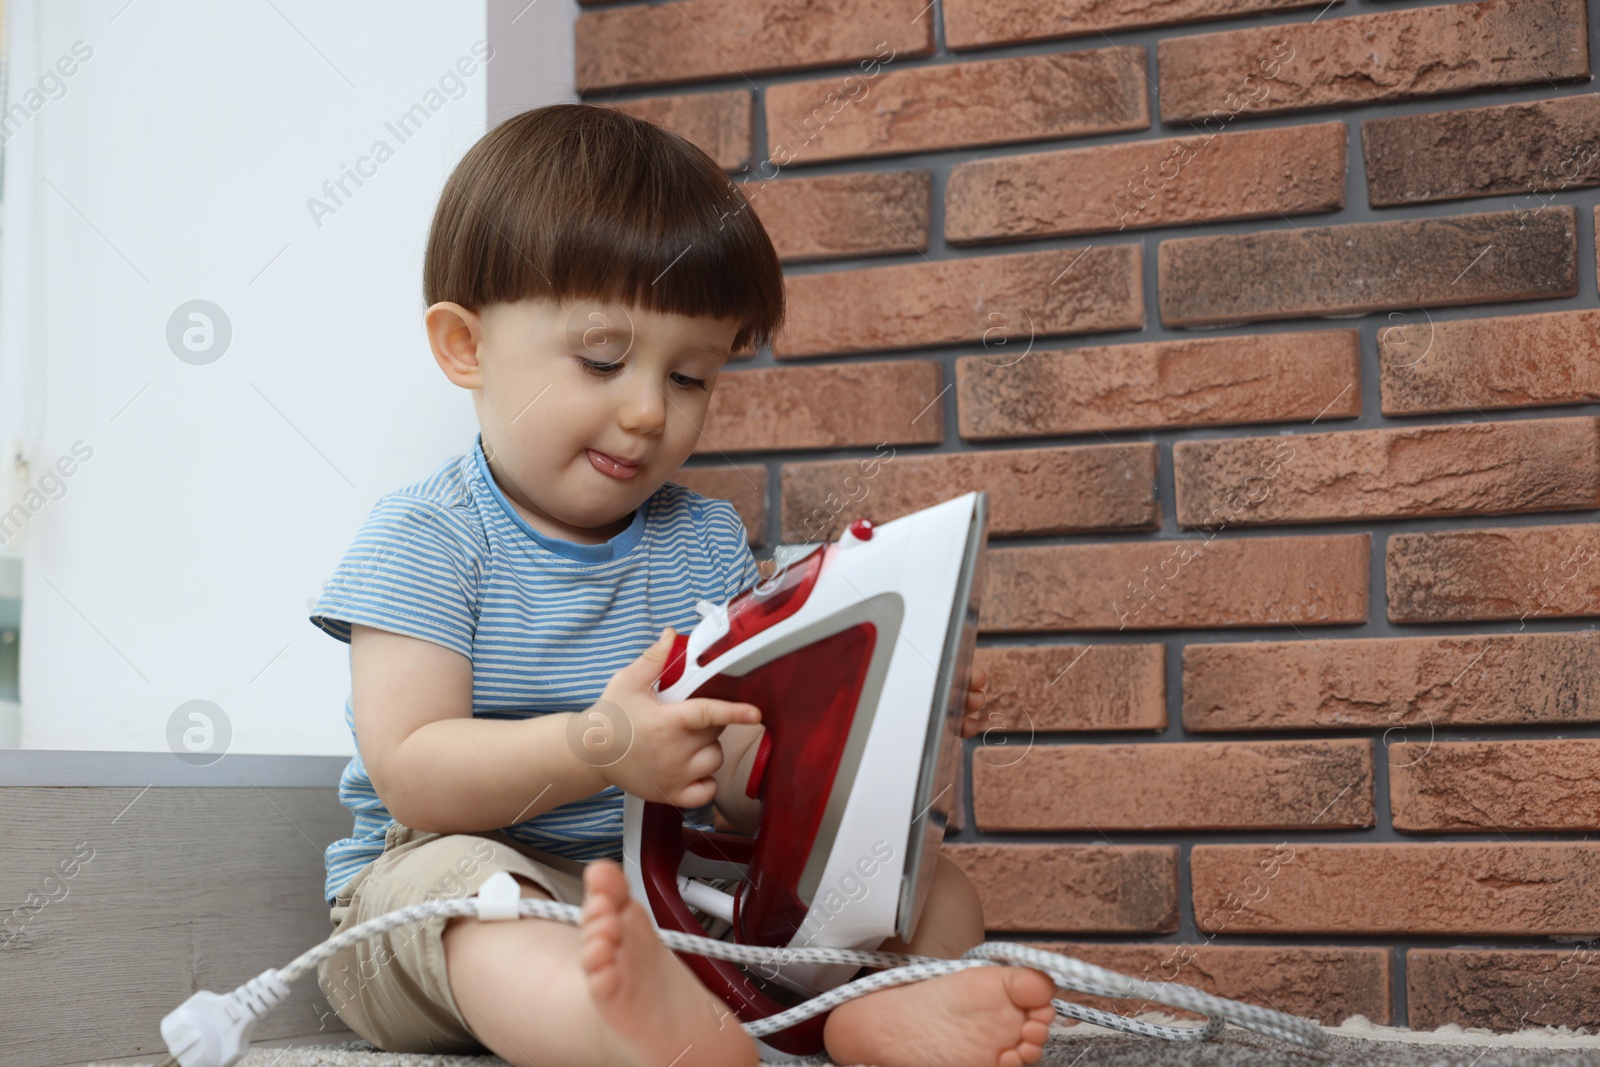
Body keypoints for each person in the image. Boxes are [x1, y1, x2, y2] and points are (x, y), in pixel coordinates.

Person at [307, 102, 1056, 1067]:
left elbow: (739, 792)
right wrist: (602, 747)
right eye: (604, 358)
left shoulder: (703, 540)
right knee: (472, 903)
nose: (648, 409)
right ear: (467, 347)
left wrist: (874, 722)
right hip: (460, 878)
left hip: (662, 890)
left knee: (933, 887)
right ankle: (615, 1021)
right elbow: (414, 767)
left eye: (693, 376)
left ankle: (864, 1016)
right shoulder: (429, 534)